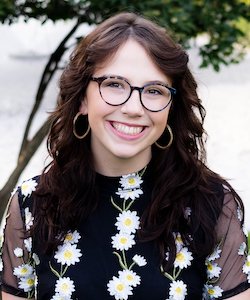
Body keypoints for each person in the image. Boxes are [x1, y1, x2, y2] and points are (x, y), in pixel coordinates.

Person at [0, 11, 249, 300]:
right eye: (115, 85)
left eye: (154, 90)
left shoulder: (212, 204)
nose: (133, 107)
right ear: (82, 97)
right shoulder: (34, 204)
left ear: (171, 108)